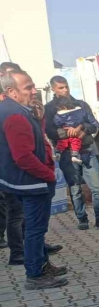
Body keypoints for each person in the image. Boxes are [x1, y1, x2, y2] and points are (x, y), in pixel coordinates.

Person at [0, 70, 68, 289]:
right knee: (35, 230)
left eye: (33, 86)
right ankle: (35, 274)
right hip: (31, 182)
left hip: (20, 181)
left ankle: (41, 264)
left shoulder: (16, 110)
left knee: (32, 228)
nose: (34, 91)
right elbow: (23, 156)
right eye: (28, 87)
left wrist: (39, 118)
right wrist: (48, 174)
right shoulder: (15, 115)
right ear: (11, 91)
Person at [44, 76, 99, 231]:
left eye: (66, 87)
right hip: (67, 154)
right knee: (75, 189)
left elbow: (94, 125)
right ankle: (82, 219)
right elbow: (49, 131)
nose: (65, 90)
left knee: (98, 188)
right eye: (61, 88)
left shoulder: (81, 105)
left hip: (87, 152)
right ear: (53, 89)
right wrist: (67, 133)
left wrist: (82, 127)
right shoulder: (49, 108)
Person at [52, 96, 88, 164]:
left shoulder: (59, 114)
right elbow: (81, 121)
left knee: (62, 143)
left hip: (64, 132)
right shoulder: (77, 112)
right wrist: (79, 127)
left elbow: (56, 122)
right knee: (76, 142)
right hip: (75, 134)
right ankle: (74, 156)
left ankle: (58, 153)